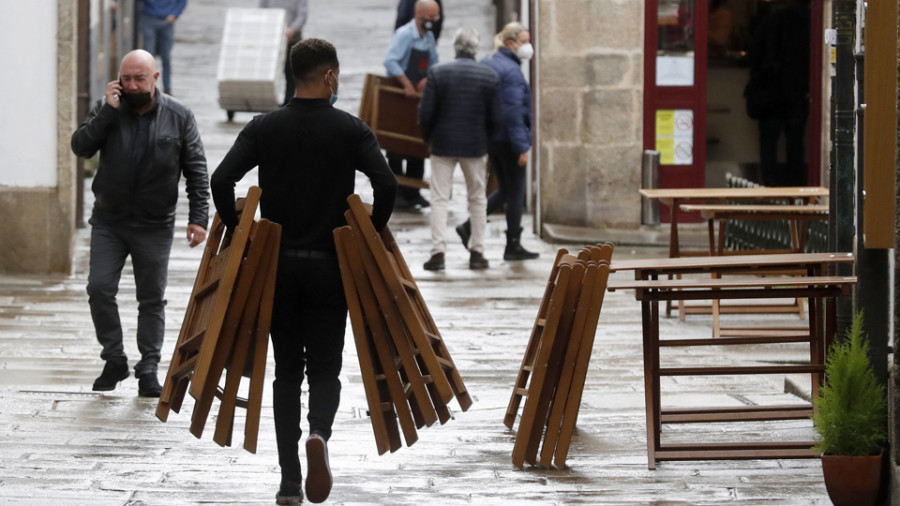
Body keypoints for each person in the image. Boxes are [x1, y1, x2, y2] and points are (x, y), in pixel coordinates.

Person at [210, 39, 397, 505]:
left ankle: (290, 480)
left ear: (292, 74)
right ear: (330, 76)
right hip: (331, 267)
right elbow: (387, 184)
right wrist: (369, 232)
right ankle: (319, 433)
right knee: (326, 370)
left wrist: (241, 231)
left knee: (287, 371)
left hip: (278, 268)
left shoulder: (264, 127)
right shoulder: (351, 130)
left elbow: (220, 180)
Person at [70, 49, 210, 398]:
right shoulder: (109, 111)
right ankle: (114, 358)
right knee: (99, 288)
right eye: (126, 79)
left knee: (151, 299)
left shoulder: (178, 116)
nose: (132, 86)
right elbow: (81, 147)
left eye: (139, 79)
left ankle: (148, 367)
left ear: (155, 79)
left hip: (154, 224)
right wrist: (106, 112)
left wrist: (198, 218)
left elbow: (196, 170)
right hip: (109, 221)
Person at [418, 28, 500, 271]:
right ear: (475, 49)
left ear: (455, 48)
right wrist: (488, 142)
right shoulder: (489, 76)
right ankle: (477, 251)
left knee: (439, 198)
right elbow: (496, 117)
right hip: (475, 146)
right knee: (477, 198)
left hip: (442, 145)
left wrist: (427, 138)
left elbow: (426, 112)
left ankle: (438, 252)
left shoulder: (438, 72)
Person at [463, 22, 539, 261]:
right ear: (511, 43)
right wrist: (522, 146)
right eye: (525, 41)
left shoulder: (490, 62)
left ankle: (468, 227)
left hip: (493, 139)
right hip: (509, 140)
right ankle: (513, 244)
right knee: (516, 191)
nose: (528, 46)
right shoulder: (512, 72)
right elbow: (514, 112)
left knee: (504, 190)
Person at [383, 0, 441, 210]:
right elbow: (390, 61)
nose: (434, 22)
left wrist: (429, 78)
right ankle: (397, 194)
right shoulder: (404, 34)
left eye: (436, 17)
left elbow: (434, 62)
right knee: (397, 147)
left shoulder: (429, 37)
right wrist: (407, 84)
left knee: (417, 143)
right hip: (399, 98)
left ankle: (413, 193)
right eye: (432, 17)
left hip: (419, 98)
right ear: (420, 14)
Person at [745, 0, 810, 187]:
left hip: (772, 93)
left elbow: (753, 54)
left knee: (769, 144)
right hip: (797, 93)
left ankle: (769, 187)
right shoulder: (807, 24)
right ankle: (795, 189)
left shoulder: (770, 22)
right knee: (795, 144)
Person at [259, 0, 308, 105]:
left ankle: (287, 102)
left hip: (292, 40)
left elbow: (302, 16)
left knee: (290, 74)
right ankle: (266, 100)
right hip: (271, 39)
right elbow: (262, 12)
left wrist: (292, 30)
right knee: (267, 71)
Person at [140, 0, 186, 95]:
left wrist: (175, 14)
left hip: (167, 21)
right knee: (149, 56)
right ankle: (148, 87)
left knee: (166, 57)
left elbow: (182, 1)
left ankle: (167, 88)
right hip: (149, 18)